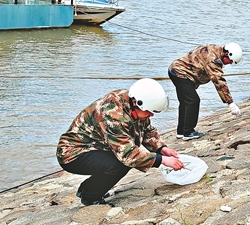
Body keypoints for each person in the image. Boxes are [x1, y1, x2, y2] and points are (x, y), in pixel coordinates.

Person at [57, 78, 184, 206]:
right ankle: (90, 197)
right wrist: (162, 160)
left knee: (119, 163)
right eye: (149, 111)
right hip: (73, 153)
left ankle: (89, 189)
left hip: (98, 147)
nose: (151, 115)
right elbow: (128, 154)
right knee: (119, 165)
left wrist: (161, 149)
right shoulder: (113, 114)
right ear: (136, 102)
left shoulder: (135, 103)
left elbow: (146, 130)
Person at [168, 42, 243, 140]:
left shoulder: (215, 49)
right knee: (193, 101)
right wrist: (231, 103)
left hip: (175, 70)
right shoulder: (213, 59)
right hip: (180, 73)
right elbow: (218, 81)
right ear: (227, 54)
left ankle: (181, 131)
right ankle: (188, 132)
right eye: (230, 61)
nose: (228, 63)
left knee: (185, 102)